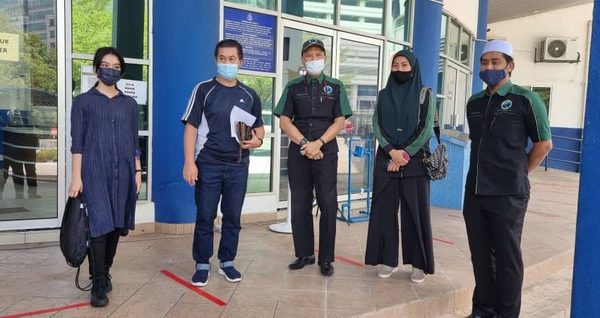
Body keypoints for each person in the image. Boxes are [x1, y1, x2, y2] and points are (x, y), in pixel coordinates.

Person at [464, 40, 552, 318]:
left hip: (509, 194)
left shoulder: (526, 99)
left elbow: (543, 144)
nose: (488, 67)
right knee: (480, 257)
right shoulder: (474, 103)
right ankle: (482, 310)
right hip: (475, 192)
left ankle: (506, 314)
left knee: (507, 260)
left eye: (495, 62)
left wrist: (519, 173)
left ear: (510, 66)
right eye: (484, 62)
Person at [182, 39, 264, 287]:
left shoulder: (250, 94)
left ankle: (227, 261)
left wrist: (256, 142)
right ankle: (202, 264)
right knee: (205, 215)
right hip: (208, 163)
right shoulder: (204, 90)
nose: (227, 63)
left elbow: (259, 130)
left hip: (239, 165)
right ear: (216, 60)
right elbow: (191, 128)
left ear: (241, 61)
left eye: (232, 59)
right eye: (222, 59)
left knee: (233, 217)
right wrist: (189, 162)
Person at [68, 47, 142, 307]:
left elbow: (134, 142)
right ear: (96, 68)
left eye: (116, 66)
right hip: (94, 173)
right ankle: (98, 281)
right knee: (98, 226)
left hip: (123, 173)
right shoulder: (83, 102)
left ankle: (106, 269)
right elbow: (77, 144)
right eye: (106, 64)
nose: (111, 69)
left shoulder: (129, 104)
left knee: (116, 226)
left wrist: (137, 170)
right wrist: (76, 177)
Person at [274, 38, 352, 277]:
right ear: (303, 59)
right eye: (309, 55)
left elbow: (340, 120)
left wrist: (318, 143)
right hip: (299, 150)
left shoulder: (336, 86)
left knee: (328, 204)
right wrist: (306, 144)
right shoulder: (294, 86)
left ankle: (326, 258)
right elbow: (284, 120)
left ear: (325, 58)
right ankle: (305, 253)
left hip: (326, 151)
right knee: (300, 203)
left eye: (318, 55)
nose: (314, 59)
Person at [364, 50, 435, 283]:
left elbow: (425, 129)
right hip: (387, 156)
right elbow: (376, 124)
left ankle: (419, 264)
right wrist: (391, 152)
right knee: (384, 211)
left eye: (405, 65)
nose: (400, 69)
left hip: (414, 160)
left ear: (413, 68)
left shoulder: (426, 94)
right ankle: (387, 259)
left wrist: (403, 155)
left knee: (415, 212)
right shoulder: (384, 95)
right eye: (395, 65)